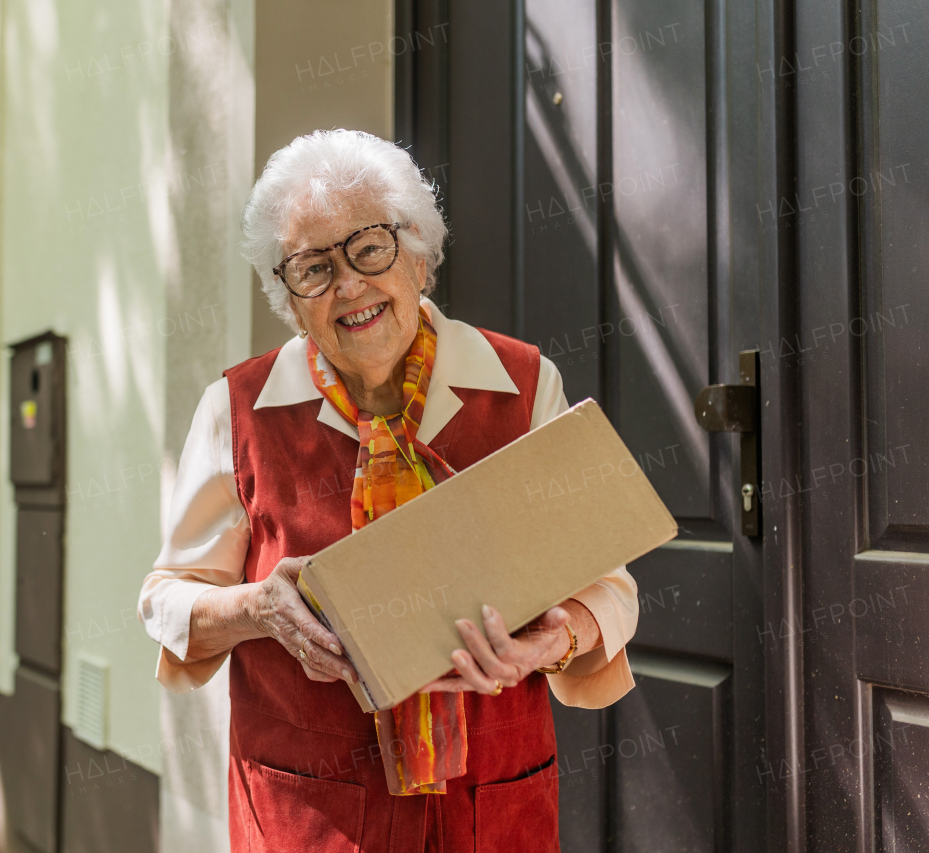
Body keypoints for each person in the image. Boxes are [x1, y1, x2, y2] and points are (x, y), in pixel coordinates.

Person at [138, 129, 638, 852]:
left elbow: (610, 588)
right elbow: (167, 598)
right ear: (289, 296)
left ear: (420, 253)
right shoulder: (238, 409)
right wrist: (259, 607)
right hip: (310, 811)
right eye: (312, 268)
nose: (349, 285)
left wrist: (550, 641)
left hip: (491, 806)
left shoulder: (525, 386)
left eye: (370, 247)